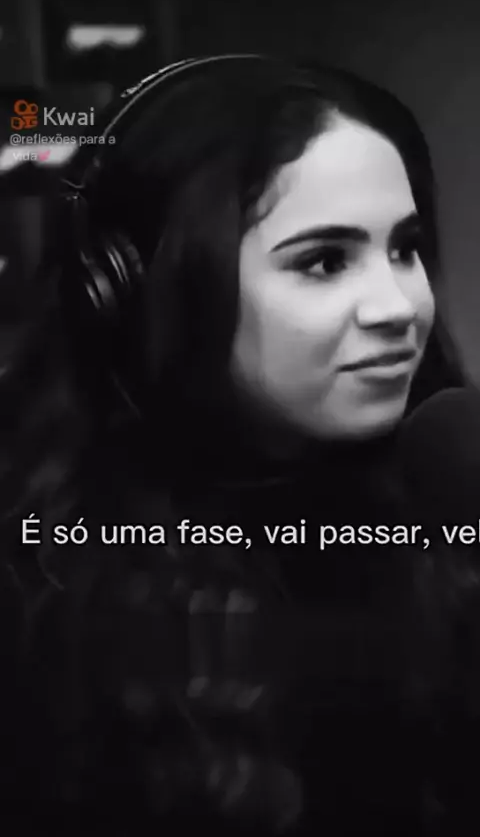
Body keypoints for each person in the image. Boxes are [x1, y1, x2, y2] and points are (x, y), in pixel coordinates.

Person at [5, 55, 470, 835]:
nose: (398, 306)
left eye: (405, 247)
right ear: (135, 287)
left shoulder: (441, 504)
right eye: (325, 261)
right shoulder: (39, 599)